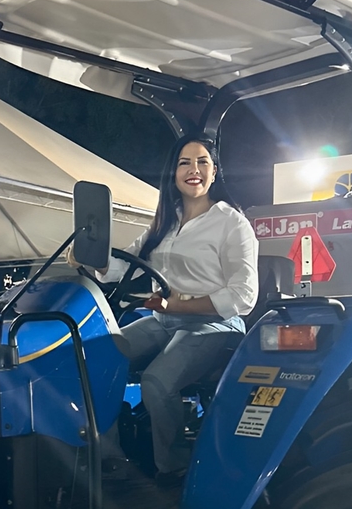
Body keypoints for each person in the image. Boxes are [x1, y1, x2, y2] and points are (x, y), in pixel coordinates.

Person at [70, 133, 259, 487]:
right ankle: (110, 458)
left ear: (214, 171)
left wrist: (175, 304)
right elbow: (122, 267)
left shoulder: (232, 223)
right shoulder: (165, 221)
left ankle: (174, 468)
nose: (194, 170)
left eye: (202, 162)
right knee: (92, 358)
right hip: (162, 320)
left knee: (157, 382)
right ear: (173, 173)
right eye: (185, 162)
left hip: (215, 325)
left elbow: (243, 296)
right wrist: (89, 251)